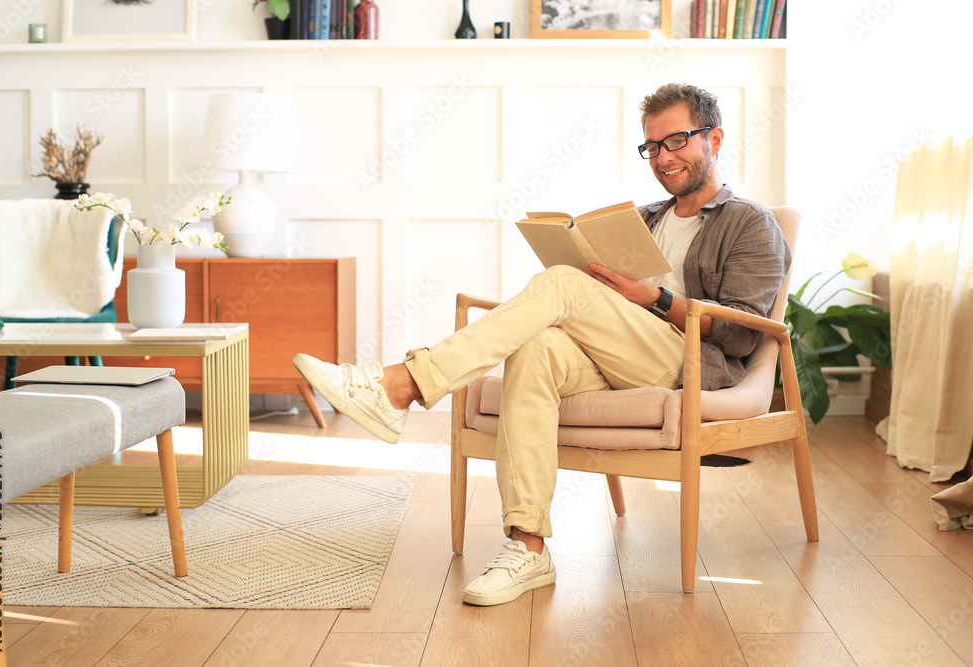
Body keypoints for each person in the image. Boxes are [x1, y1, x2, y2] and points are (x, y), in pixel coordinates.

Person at [293, 82, 791, 607]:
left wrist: (655, 297)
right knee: (536, 349)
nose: (662, 158)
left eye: (677, 141)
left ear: (713, 137)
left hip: (688, 363)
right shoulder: (644, 218)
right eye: (652, 146)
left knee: (561, 282)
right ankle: (528, 549)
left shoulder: (750, 223)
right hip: (620, 352)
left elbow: (740, 332)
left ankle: (399, 386)